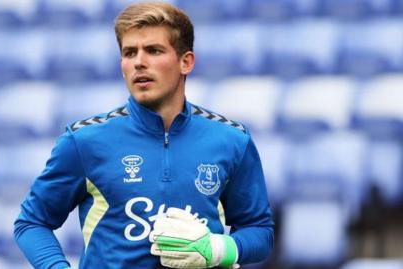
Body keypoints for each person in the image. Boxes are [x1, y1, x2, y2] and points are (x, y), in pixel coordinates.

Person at [14, 2, 274, 269]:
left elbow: (259, 230)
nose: (139, 62)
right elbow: (32, 223)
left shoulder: (231, 139)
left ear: (186, 62)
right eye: (129, 53)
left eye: (153, 50)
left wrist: (219, 248)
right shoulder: (84, 141)